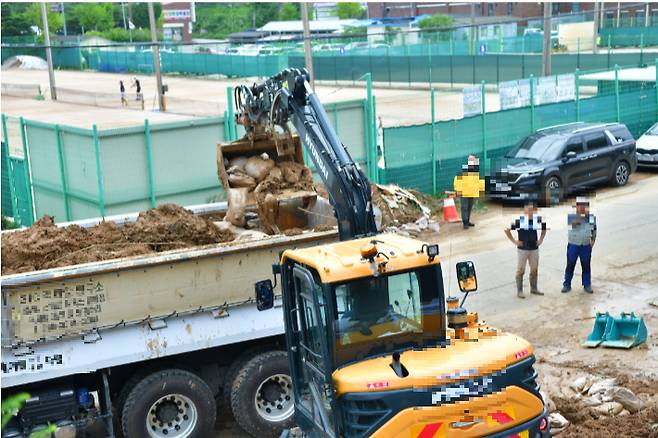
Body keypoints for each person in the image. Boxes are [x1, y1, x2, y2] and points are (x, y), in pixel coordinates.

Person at [505, 201, 547, 299]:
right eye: (528, 209)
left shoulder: (537, 220)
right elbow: (507, 230)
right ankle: (519, 291)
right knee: (520, 270)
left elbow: (544, 228)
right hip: (522, 250)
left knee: (534, 270)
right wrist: (514, 241)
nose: (530, 211)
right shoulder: (520, 221)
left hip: (534, 249)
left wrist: (541, 239)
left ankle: (534, 288)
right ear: (524, 210)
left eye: (532, 209)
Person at [562, 197, 597, 294]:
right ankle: (566, 284)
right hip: (573, 245)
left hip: (586, 245)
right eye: (580, 206)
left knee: (586, 265)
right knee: (570, 265)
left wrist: (593, 239)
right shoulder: (572, 217)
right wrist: (582, 216)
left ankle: (587, 284)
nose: (582, 208)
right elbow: (573, 224)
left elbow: (594, 229)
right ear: (576, 207)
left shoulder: (591, 218)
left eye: (584, 206)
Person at [452, 155, 484, 229]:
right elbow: (458, 181)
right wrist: (458, 191)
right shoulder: (464, 170)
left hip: (471, 192)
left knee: (469, 207)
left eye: (474, 161)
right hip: (464, 192)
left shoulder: (475, 170)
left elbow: (477, 182)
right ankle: (465, 223)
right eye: (472, 161)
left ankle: (467, 221)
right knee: (464, 207)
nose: (474, 162)